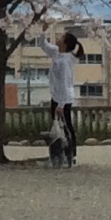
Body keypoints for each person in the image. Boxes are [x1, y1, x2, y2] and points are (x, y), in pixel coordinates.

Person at [37, 31, 82, 166]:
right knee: (57, 126)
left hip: (64, 98)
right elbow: (43, 45)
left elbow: (64, 83)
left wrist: (61, 104)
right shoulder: (57, 52)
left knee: (66, 126)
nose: (59, 38)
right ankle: (58, 154)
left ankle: (70, 154)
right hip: (56, 96)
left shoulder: (65, 61)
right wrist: (43, 31)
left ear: (65, 43)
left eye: (62, 37)